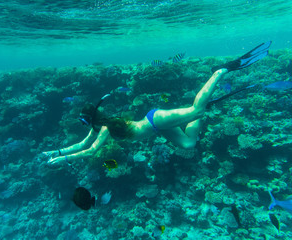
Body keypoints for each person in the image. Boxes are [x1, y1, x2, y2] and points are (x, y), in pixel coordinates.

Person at [43, 41, 271, 167]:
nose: (84, 125)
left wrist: (62, 160)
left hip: (156, 120)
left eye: (84, 121)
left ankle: (220, 71)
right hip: (157, 128)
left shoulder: (105, 128)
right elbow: (81, 145)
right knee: (188, 145)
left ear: (90, 119)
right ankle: (200, 114)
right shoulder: (100, 127)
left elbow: (90, 150)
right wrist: (56, 152)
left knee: (196, 109)